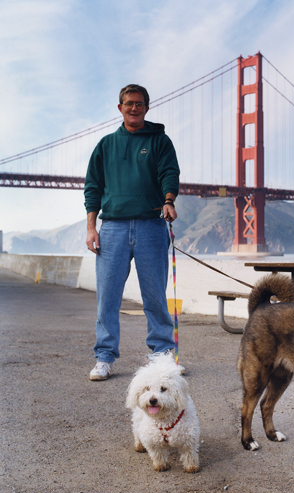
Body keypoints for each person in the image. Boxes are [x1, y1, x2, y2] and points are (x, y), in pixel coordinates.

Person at [84, 84, 180, 381]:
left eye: (139, 104)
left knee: (155, 296)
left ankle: (162, 356)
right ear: (120, 108)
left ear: (147, 108)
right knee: (108, 298)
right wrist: (91, 227)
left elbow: (169, 173)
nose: (134, 108)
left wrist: (168, 201)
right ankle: (104, 357)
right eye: (129, 103)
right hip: (111, 227)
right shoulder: (105, 145)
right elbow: (93, 187)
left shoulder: (160, 141)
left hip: (152, 225)